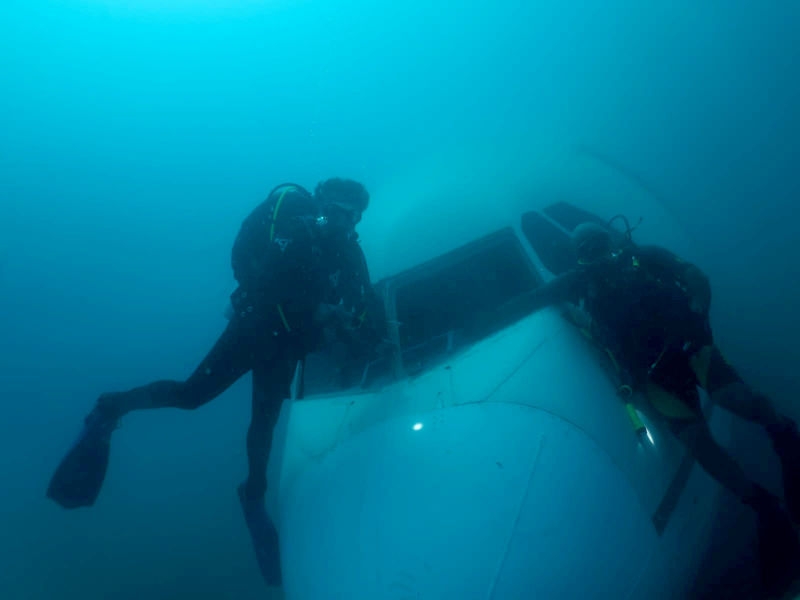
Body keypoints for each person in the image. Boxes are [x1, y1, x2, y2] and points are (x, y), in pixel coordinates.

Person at [47, 178, 387, 588]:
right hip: (254, 330)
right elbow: (265, 285)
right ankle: (109, 407)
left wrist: (369, 335)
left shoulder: (348, 251)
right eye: (336, 212)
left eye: (351, 216)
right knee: (192, 396)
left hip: (286, 347)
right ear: (321, 207)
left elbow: (364, 299)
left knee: (263, 425)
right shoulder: (295, 231)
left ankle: (253, 495)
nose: (342, 222)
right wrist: (318, 311)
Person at [506, 220, 800, 593]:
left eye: (599, 244)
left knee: (736, 399)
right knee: (697, 443)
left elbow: (695, 276)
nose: (597, 254)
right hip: (654, 377)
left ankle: (783, 432)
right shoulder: (579, 283)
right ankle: (763, 505)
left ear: (613, 240)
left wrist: (699, 319)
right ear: (579, 258)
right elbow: (538, 296)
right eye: (587, 250)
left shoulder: (645, 258)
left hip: (690, 349)